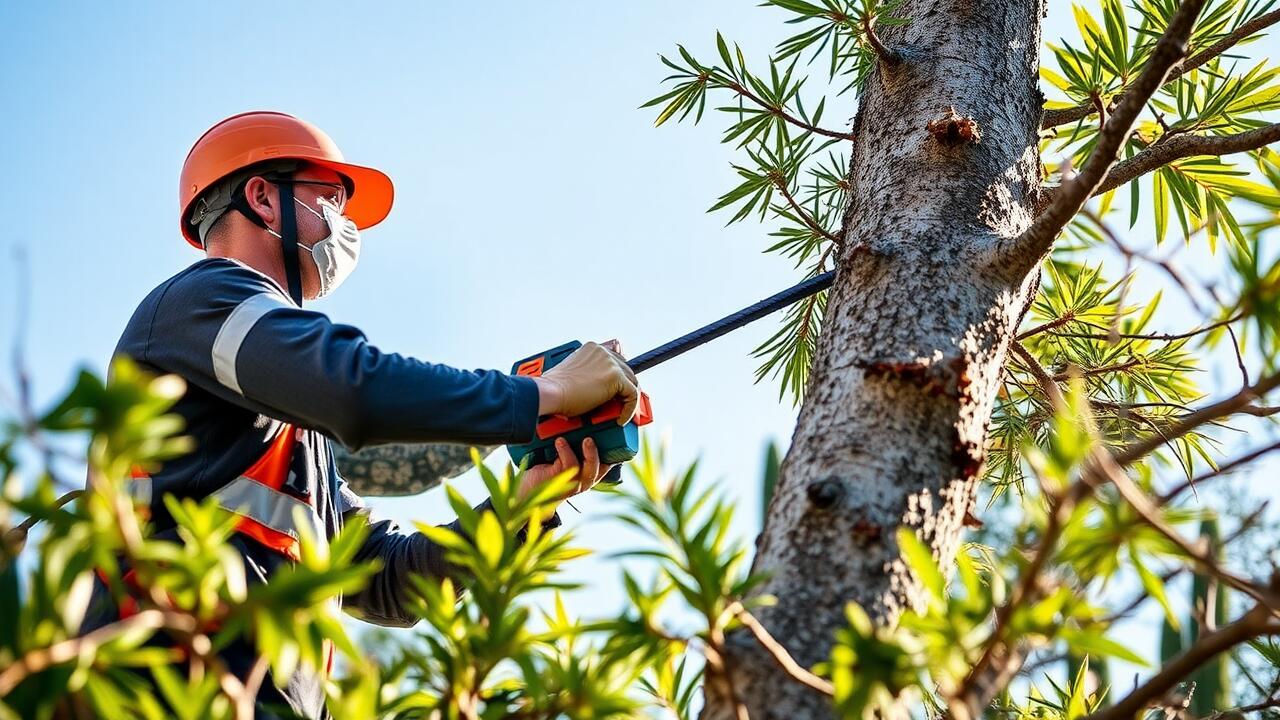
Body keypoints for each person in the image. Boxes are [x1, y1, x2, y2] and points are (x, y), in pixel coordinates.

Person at [81, 110, 640, 718]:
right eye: (331, 199)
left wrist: (528, 503)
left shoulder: (290, 432)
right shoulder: (198, 303)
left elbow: (389, 580)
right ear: (263, 198)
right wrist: (546, 393)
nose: (344, 226)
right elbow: (357, 389)